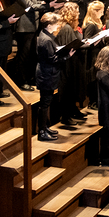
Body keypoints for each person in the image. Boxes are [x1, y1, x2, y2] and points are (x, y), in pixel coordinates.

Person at [12, 0, 58, 91]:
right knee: (24, 55)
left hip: (32, 24)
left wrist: (42, 3)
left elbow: (34, 3)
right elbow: (30, 6)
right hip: (24, 27)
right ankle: (21, 81)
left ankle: (30, 77)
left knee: (32, 54)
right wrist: (48, 5)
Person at [36, 13, 73, 141]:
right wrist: (67, 56)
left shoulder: (46, 36)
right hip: (46, 75)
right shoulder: (46, 40)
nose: (58, 26)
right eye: (56, 24)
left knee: (46, 102)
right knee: (44, 103)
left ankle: (45, 127)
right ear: (49, 25)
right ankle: (41, 131)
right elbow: (52, 59)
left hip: (47, 73)